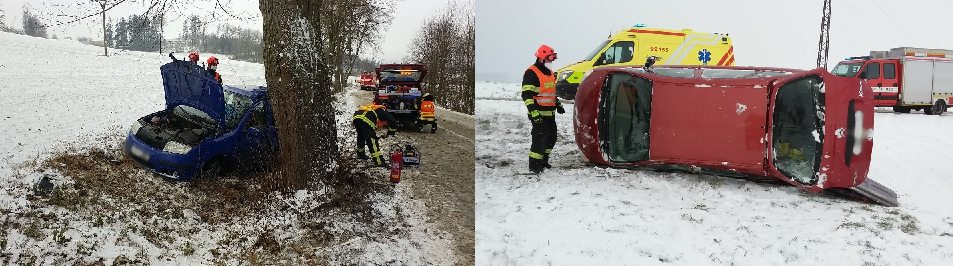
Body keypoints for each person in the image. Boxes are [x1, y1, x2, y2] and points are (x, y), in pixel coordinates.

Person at [522, 45, 566, 173]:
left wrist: (557, 104)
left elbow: (549, 92)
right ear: (541, 59)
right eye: (549, 60)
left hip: (550, 113)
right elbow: (527, 94)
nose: (551, 63)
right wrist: (533, 112)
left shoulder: (549, 73)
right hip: (538, 113)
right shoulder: (531, 73)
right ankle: (534, 165)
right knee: (540, 139)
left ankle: (543, 160)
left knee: (552, 138)